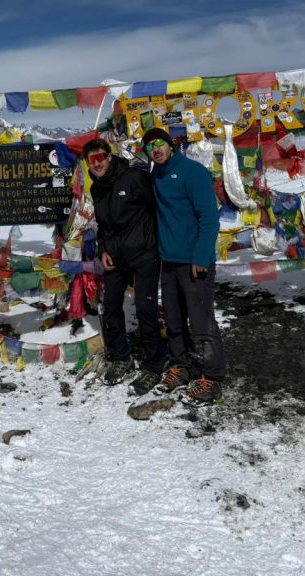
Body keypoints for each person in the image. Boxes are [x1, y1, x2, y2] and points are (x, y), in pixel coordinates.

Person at [142, 128, 226, 406]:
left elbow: (209, 217)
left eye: (159, 144)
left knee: (201, 321)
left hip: (194, 262)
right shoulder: (156, 176)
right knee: (174, 319)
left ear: (170, 145)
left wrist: (201, 255)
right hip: (169, 261)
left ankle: (212, 378)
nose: (155, 150)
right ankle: (182, 366)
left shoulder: (193, 172)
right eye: (149, 147)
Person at [82, 138, 167, 389]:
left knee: (145, 307)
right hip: (115, 257)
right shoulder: (97, 188)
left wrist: (155, 243)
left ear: (109, 157)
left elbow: (156, 209)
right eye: (91, 160)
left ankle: (153, 365)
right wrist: (103, 250)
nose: (97, 164)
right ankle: (121, 357)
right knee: (110, 306)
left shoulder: (134, 179)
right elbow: (103, 225)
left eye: (100, 158)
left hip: (144, 253)